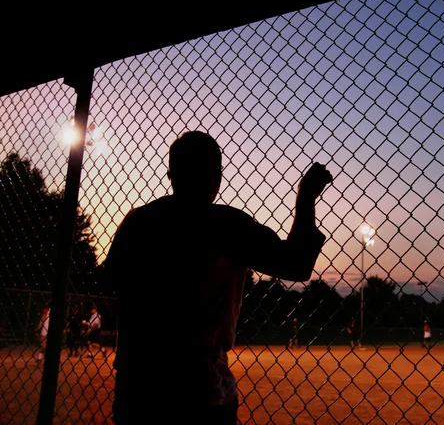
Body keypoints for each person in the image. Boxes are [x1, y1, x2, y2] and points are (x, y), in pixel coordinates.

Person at [104, 130, 333, 424]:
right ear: (217, 178)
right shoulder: (225, 225)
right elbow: (297, 265)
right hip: (198, 388)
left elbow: (112, 281)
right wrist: (305, 197)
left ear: (170, 175)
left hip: (136, 386)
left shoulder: (137, 222)